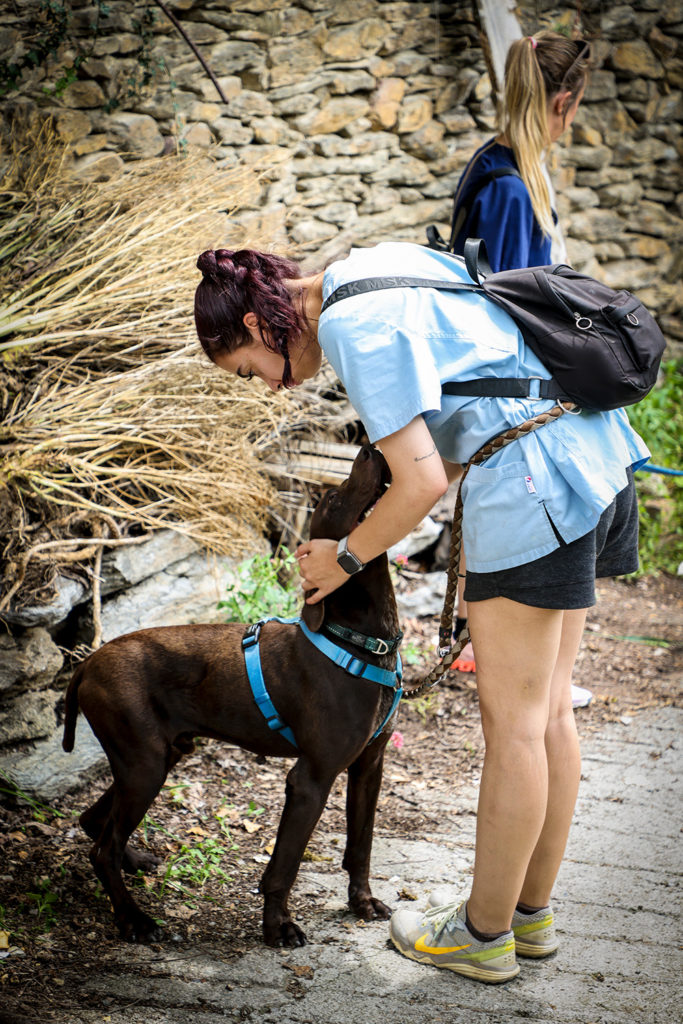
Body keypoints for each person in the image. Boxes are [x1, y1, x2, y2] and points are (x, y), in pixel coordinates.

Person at [193, 240, 648, 983]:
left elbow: (421, 482)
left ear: (256, 323)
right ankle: (525, 917)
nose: (271, 387)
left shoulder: (348, 325)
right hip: (593, 456)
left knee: (516, 726)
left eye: (251, 370)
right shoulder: (377, 265)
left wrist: (342, 558)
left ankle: (481, 934)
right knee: (548, 714)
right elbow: (476, 395)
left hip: (534, 482)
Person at [444, 32, 592, 691]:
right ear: (563, 101)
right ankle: (513, 667)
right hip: (511, 386)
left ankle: (522, 667)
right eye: (577, 108)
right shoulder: (507, 187)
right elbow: (503, 305)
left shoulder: (503, 163)